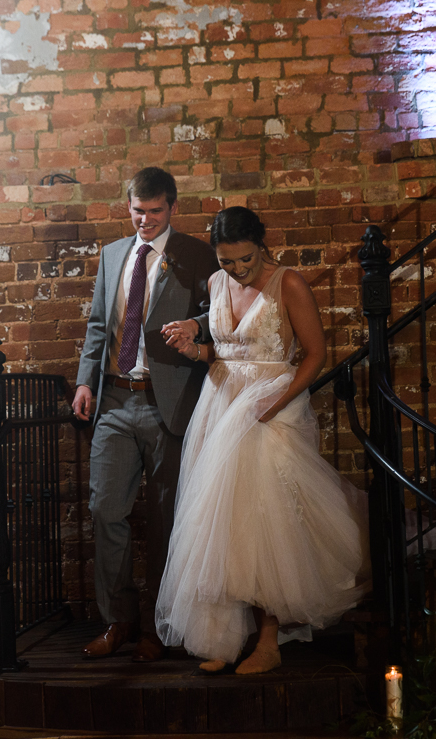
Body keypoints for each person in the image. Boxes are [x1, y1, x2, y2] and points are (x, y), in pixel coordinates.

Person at [156, 206, 369, 674]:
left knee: (265, 519)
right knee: (222, 520)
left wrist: (276, 402)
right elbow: (228, 349)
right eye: (227, 261)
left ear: (260, 244)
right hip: (220, 403)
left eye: (245, 260)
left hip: (270, 404)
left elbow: (315, 355)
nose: (236, 270)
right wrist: (195, 349)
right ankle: (226, 636)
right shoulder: (215, 284)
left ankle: (269, 639)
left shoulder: (288, 283)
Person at [72, 166, 221, 662]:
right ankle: (118, 620)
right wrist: (84, 382)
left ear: (172, 208)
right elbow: (98, 324)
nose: (145, 220)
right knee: (104, 509)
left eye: (155, 211)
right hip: (114, 398)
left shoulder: (198, 254)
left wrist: (196, 325)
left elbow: (220, 313)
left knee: (163, 517)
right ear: (129, 206)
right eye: (138, 211)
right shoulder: (112, 254)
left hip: (169, 401)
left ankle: (158, 629)